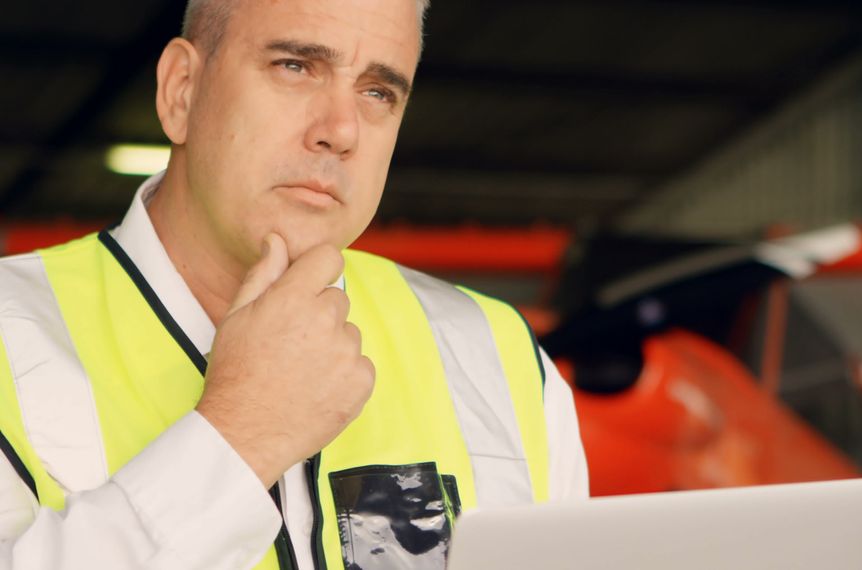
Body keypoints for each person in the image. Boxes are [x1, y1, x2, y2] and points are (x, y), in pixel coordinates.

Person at [0, 0, 589, 568]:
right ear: (181, 90)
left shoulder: (498, 357)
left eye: (378, 92)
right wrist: (241, 435)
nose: (341, 130)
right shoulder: (11, 336)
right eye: (295, 66)